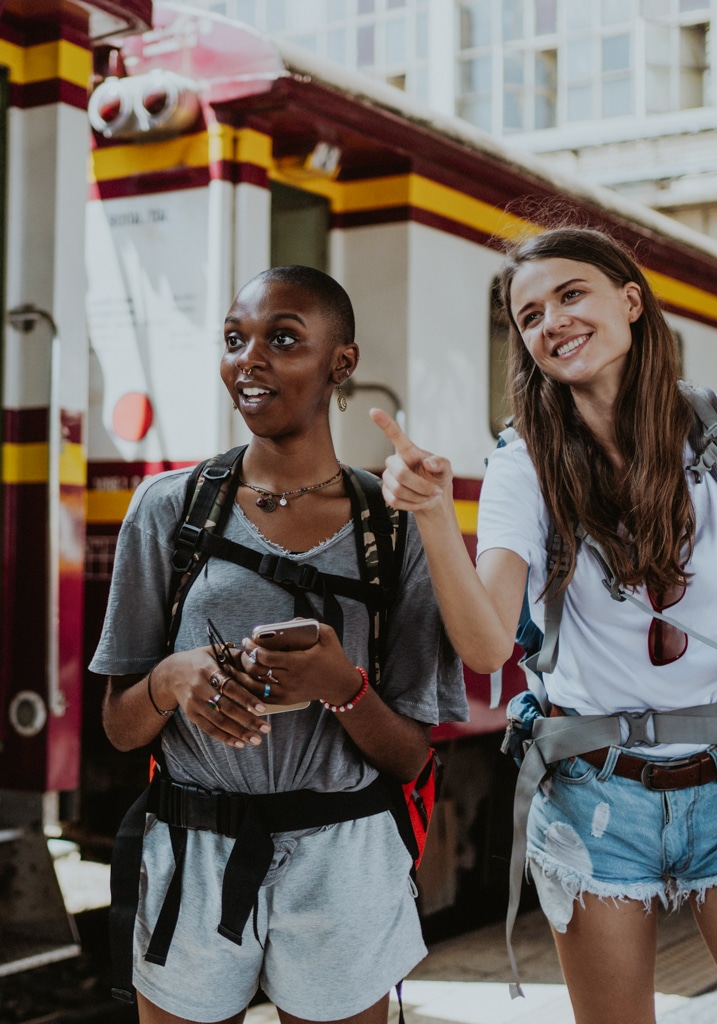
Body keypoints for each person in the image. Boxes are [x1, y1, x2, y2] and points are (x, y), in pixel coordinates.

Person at [370, 227, 717, 1024]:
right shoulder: (521, 462)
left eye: (572, 295)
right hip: (594, 796)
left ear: (629, 302)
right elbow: (487, 644)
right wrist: (433, 515)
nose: (552, 322)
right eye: (528, 315)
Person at [90, 265, 467, 1024]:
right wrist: (170, 679)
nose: (248, 359)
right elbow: (120, 727)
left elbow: (410, 758)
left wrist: (342, 685)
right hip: (192, 850)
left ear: (342, 362)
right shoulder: (169, 508)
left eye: (283, 339)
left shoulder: (395, 528)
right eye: (235, 340)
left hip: (345, 859)